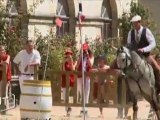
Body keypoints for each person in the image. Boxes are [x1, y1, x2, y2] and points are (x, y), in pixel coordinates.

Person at [76, 43, 94, 115]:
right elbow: (77, 66)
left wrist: (87, 56)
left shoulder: (91, 56)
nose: (84, 51)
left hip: (87, 77)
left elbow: (90, 65)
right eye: (83, 50)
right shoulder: (80, 56)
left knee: (86, 93)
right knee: (81, 92)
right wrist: (81, 57)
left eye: (85, 50)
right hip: (80, 76)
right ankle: (82, 108)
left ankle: (85, 110)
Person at [61, 47, 76, 116]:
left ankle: (68, 109)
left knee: (66, 95)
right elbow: (63, 71)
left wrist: (71, 61)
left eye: (69, 54)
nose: (68, 55)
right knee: (64, 96)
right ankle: (68, 109)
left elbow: (73, 70)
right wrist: (64, 63)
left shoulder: (72, 62)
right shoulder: (63, 62)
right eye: (67, 54)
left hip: (70, 80)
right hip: (64, 80)